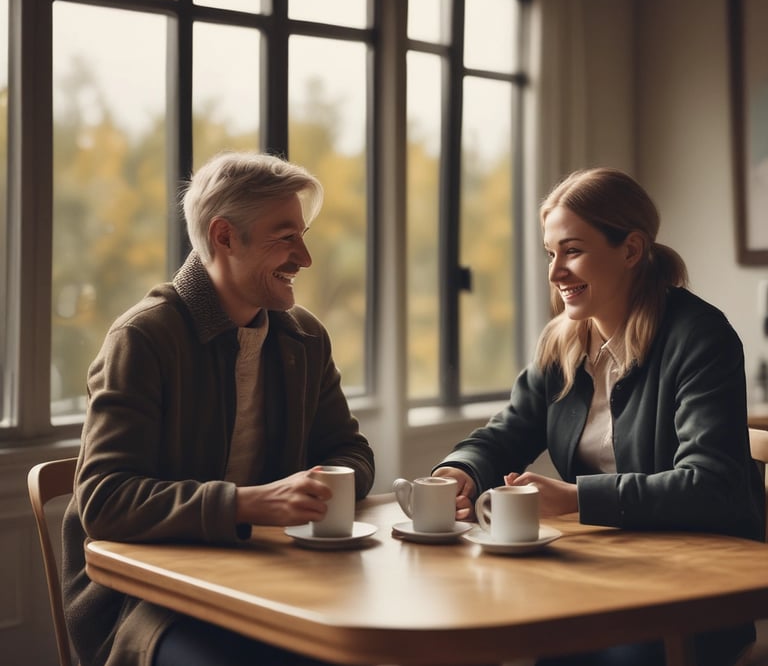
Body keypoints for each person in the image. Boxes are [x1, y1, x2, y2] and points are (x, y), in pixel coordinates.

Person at [432, 167, 764, 666]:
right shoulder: (563, 342)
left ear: (630, 250)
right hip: (598, 569)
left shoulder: (700, 337)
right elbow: (507, 433)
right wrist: (460, 469)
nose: (555, 273)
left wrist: (574, 497)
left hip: (692, 589)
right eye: (551, 253)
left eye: (572, 251)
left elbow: (710, 483)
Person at [61, 151, 376, 666]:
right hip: (150, 601)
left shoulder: (305, 338)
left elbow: (349, 450)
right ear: (225, 236)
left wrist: (327, 484)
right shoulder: (143, 337)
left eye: (303, 236)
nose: (305, 258)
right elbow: (103, 500)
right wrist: (249, 504)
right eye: (285, 237)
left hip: (273, 578)